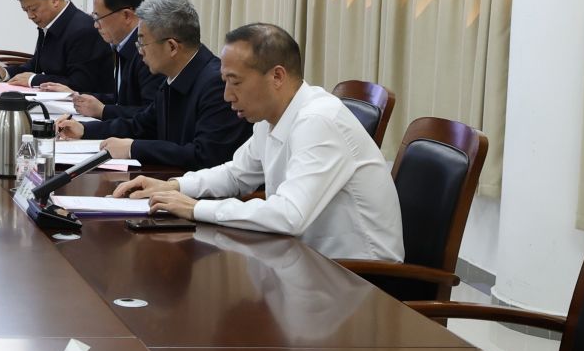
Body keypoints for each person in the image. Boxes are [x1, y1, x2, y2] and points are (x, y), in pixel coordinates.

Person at [116, 23, 404, 261]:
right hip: (307, 261)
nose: (227, 95)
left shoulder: (318, 121)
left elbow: (289, 215)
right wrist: (174, 187)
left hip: (362, 278)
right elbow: (235, 174)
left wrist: (194, 208)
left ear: (277, 76)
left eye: (235, 82)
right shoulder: (272, 117)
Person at [58, 0, 247, 170]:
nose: (140, 51)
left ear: (172, 47)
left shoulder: (216, 85)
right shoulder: (173, 78)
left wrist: (133, 148)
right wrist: (85, 130)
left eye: (142, 42)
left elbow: (205, 156)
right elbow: (141, 125)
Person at [41, 0, 156, 119]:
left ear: (126, 15)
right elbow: (121, 100)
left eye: (98, 18)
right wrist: (76, 96)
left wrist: (104, 111)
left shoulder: (148, 50)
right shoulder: (122, 45)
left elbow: (152, 116)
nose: (95, 25)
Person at [0, 0, 112, 92]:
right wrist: (6, 72)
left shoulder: (83, 29)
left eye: (33, 9)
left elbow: (80, 84)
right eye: (26, 10)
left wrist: (34, 80)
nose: (30, 16)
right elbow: (35, 65)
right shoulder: (50, 25)